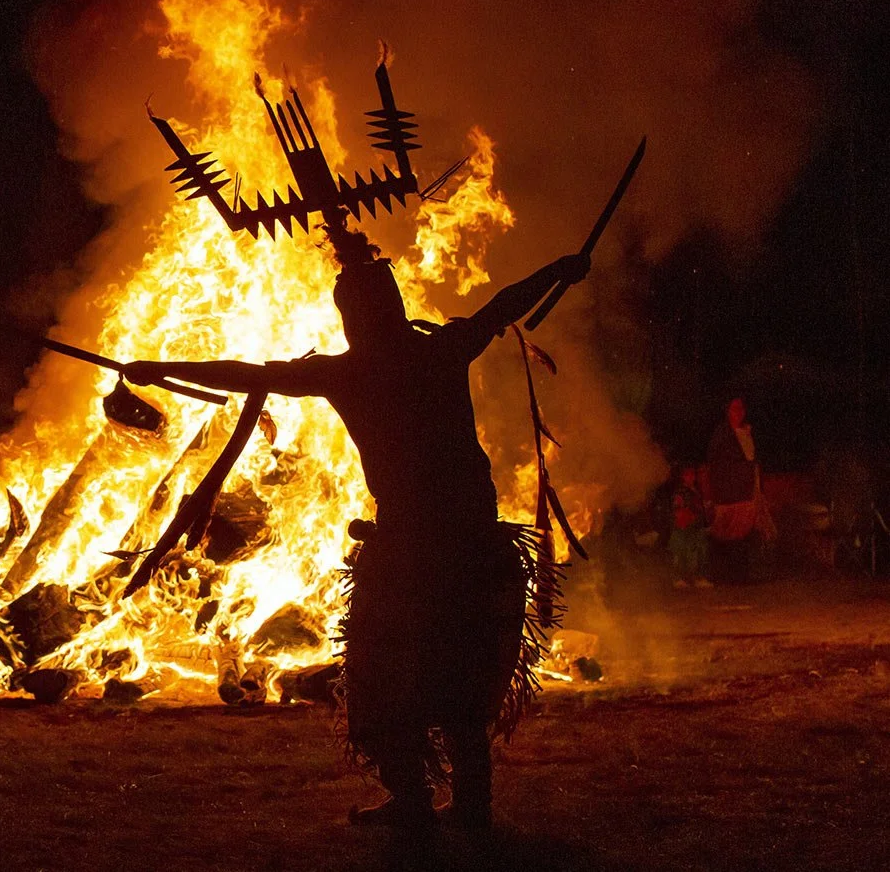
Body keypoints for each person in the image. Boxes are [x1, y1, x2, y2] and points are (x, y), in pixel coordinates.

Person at [125, 238, 589, 833]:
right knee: (457, 676)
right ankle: (458, 805)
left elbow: (247, 375)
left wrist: (159, 369)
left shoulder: (351, 371)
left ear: (353, 318)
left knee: (387, 677)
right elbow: (502, 305)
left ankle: (430, 802)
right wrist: (557, 266)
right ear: (389, 308)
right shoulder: (441, 349)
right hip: (463, 536)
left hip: (417, 546)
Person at [703, 397, 773, 583]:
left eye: (742, 407)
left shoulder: (746, 433)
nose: (739, 411)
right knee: (725, 534)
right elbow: (717, 465)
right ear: (727, 410)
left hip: (747, 491)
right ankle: (720, 575)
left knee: (744, 534)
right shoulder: (722, 435)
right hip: (729, 493)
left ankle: (741, 575)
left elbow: (753, 461)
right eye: (735, 408)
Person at [667, 465, 711, 588]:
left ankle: (697, 578)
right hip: (684, 526)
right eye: (688, 474)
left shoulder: (696, 490)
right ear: (683, 476)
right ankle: (680, 578)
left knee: (698, 553)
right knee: (681, 553)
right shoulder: (681, 491)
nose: (691, 477)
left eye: (692, 474)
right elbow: (679, 507)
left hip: (696, 526)